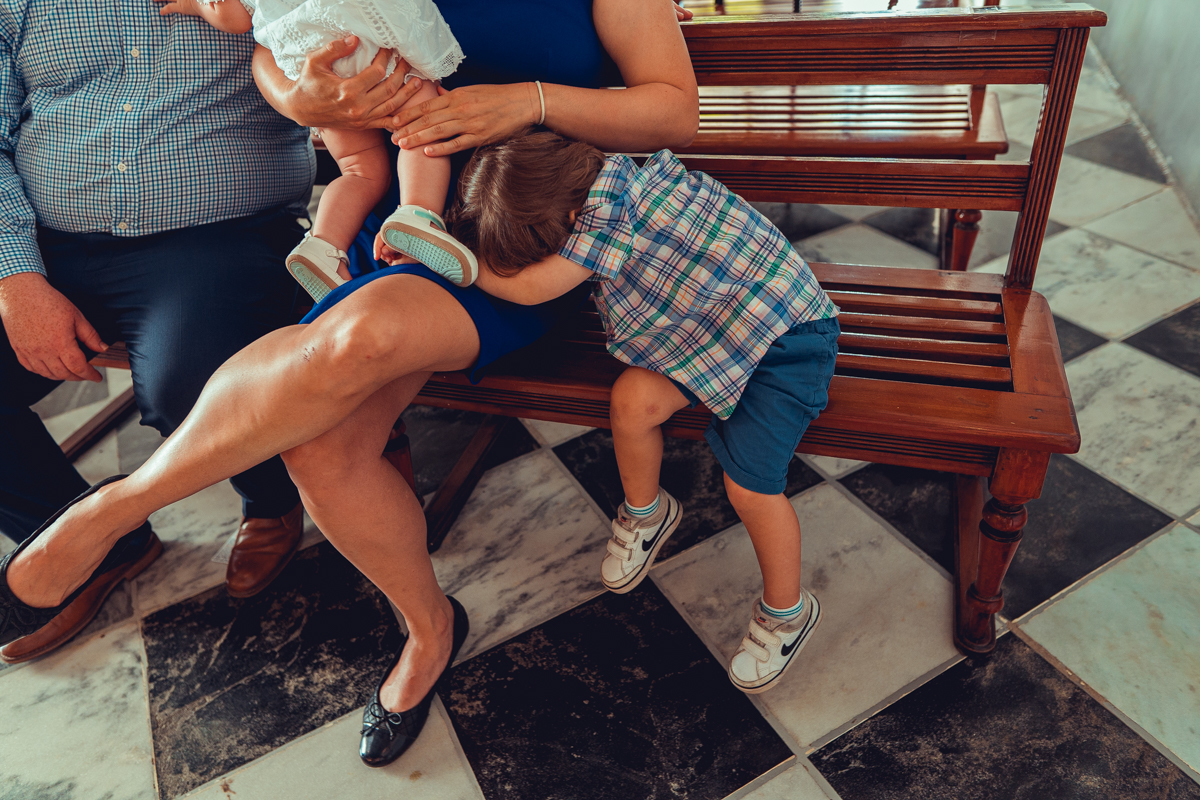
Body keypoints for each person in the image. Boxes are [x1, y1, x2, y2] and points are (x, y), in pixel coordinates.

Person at [0, 0, 699, 767]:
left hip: (534, 229)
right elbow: (275, 23)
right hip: (400, 224)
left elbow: (674, 110)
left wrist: (527, 102)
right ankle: (429, 628)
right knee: (322, 445)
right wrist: (298, 97)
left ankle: (115, 509)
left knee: (356, 340)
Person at [0, 0, 419, 664]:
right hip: (47, 243)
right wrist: (15, 276)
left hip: (215, 238)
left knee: (188, 386)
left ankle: (273, 500)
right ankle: (93, 542)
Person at [444, 131, 840, 694]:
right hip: (707, 330)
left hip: (785, 336)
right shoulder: (600, 179)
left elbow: (532, 289)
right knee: (631, 401)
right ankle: (646, 513)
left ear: (570, 218)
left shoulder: (608, 214)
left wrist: (458, 265)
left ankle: (787, 612)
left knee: (751, 488)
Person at [157, 0, 478, 299]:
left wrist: (196, 5)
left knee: (359, 170)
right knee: (423, 129)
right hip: (369, 37)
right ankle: (417, 214)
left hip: (317, 71)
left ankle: (324, 246)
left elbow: (234, 16)